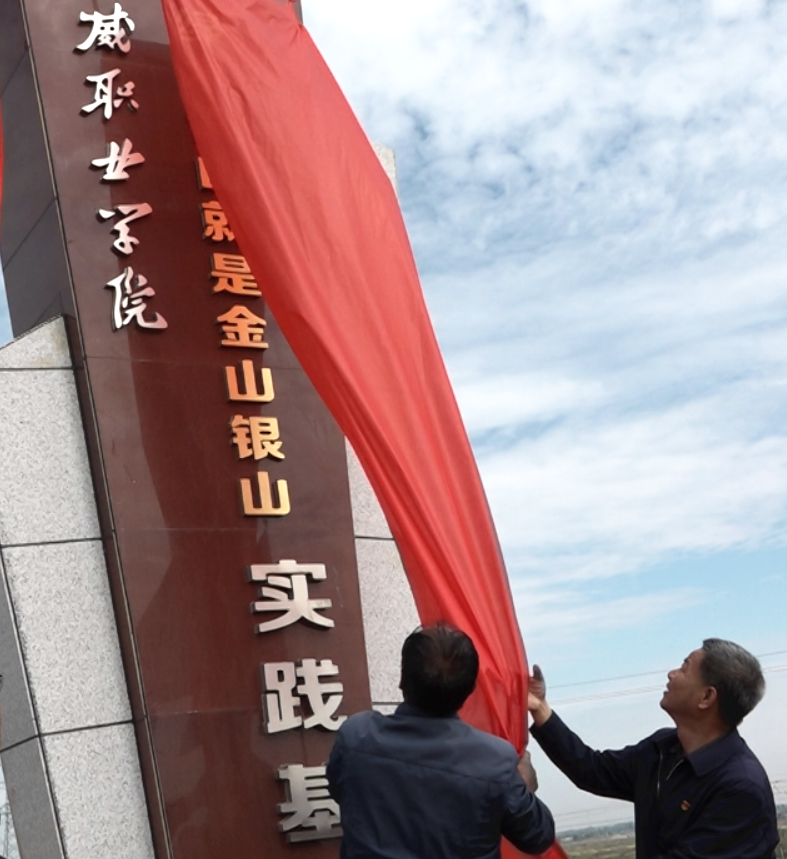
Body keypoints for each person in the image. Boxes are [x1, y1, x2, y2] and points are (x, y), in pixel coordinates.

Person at [528, 638, 779, 859]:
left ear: (706, 697)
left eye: (684, 668)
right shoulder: (662, 750)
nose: (671, 674)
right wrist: (540, 709)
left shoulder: (740, 787)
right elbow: (592, 770)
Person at [327, 623, 555, 859]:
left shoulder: (357, 737)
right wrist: (525, 786)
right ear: (469, 690)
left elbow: (339, 790)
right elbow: (538, 837)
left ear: (403, 680)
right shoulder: (494, 761)